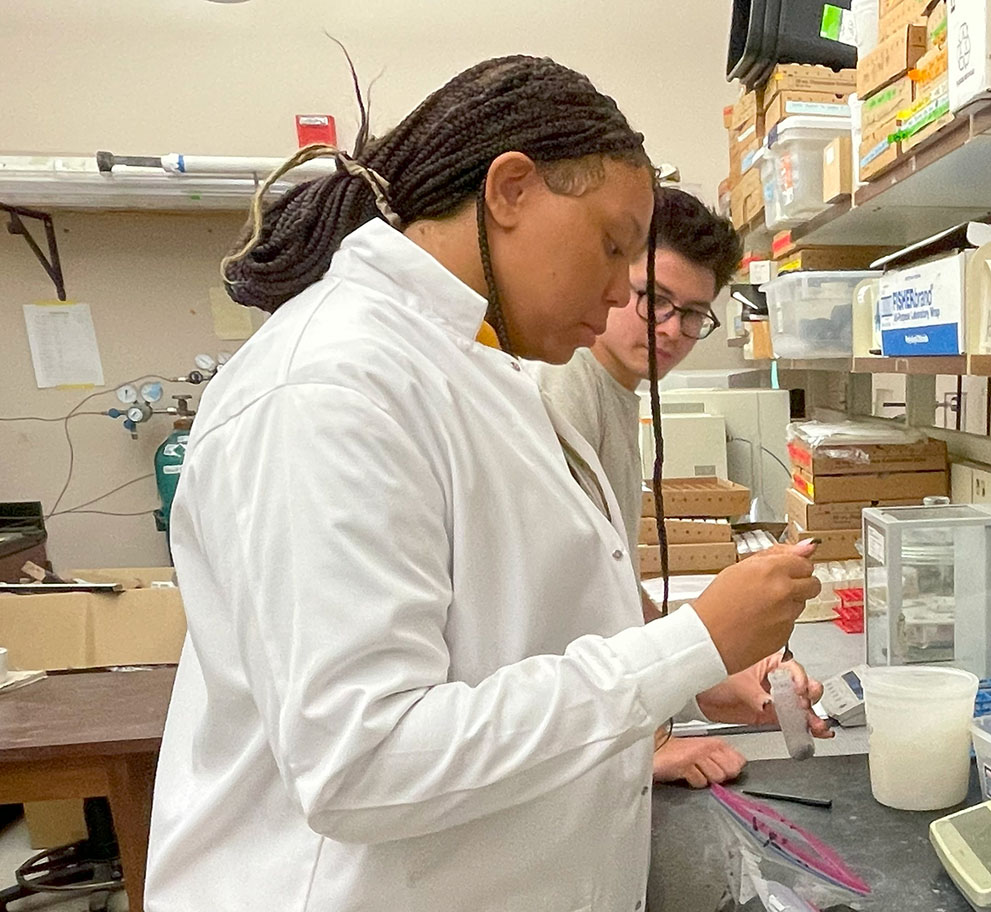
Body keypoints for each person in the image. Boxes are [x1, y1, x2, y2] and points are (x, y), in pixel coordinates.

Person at [145, 56, 820, 912]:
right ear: (510, 192)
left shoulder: (480, 369)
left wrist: (702, 672)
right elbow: (366, 762)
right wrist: (687, 645)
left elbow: (517, 624)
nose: (621, 289)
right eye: (613, 245)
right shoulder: (330, 387)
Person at [538, 189, 831, 790]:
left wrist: (707, 676)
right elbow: (555, 606)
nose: (672, 329)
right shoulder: (563, 383)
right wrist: (648, 744)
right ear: (613, 279)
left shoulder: (614, 392)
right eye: (656, 301)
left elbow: (611, 581)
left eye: (693, 313)